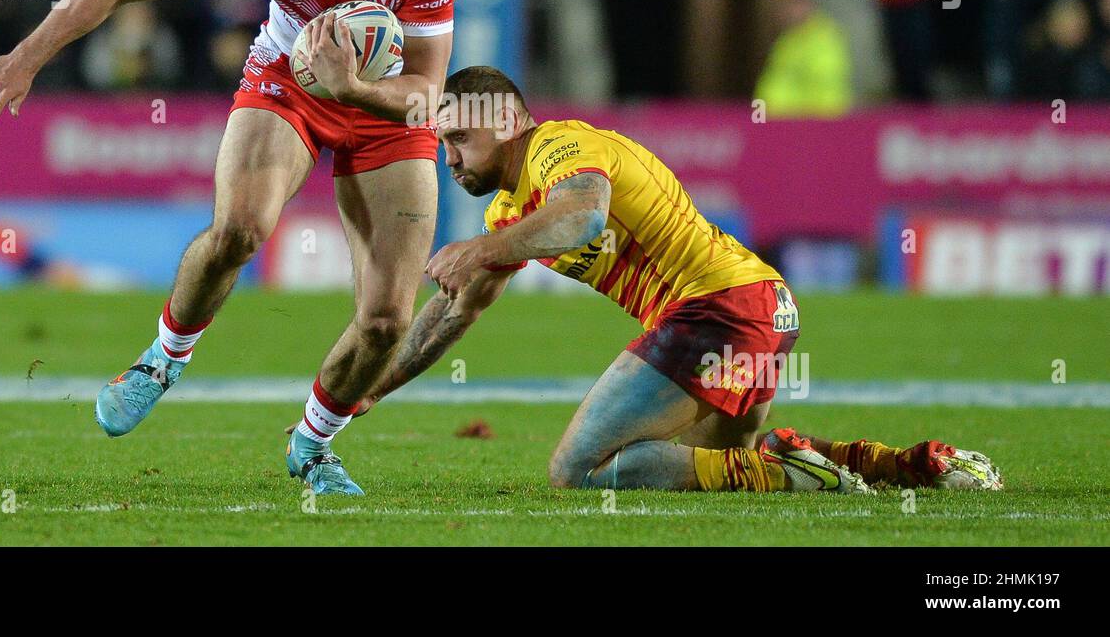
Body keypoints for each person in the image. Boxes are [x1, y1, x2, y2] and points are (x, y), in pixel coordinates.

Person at [0, 0, 457, 495]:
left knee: (387, 318)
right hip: (289, 77)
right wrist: (27, 55)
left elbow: (427, 91)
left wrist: (359, 86)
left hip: (388, 103)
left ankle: (312, 442)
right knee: (239, 230)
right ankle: (161, 359)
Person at [357, 66, 1003, 494]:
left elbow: (583, 218)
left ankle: (793, 475)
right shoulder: (508, 210)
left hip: (715, 307)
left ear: (505, 122)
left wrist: (478, 248)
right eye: (442, 143)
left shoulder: (559, 146)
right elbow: (455, 312)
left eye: (459, 138)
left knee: (578, 469)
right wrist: (371, 386)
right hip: (760, 307)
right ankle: (908, 464)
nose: (450, 158)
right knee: (720, 460)